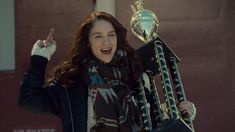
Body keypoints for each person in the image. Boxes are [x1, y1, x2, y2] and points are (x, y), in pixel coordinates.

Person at [18, 11, 196, 132]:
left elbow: (154, 121)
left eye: (111, 35)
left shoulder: (135, 75)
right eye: (98, 36)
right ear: (88, 42)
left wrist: (179, 114)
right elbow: (29, 100)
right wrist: (40, 58)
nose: (106, 42)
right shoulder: (71, 84)